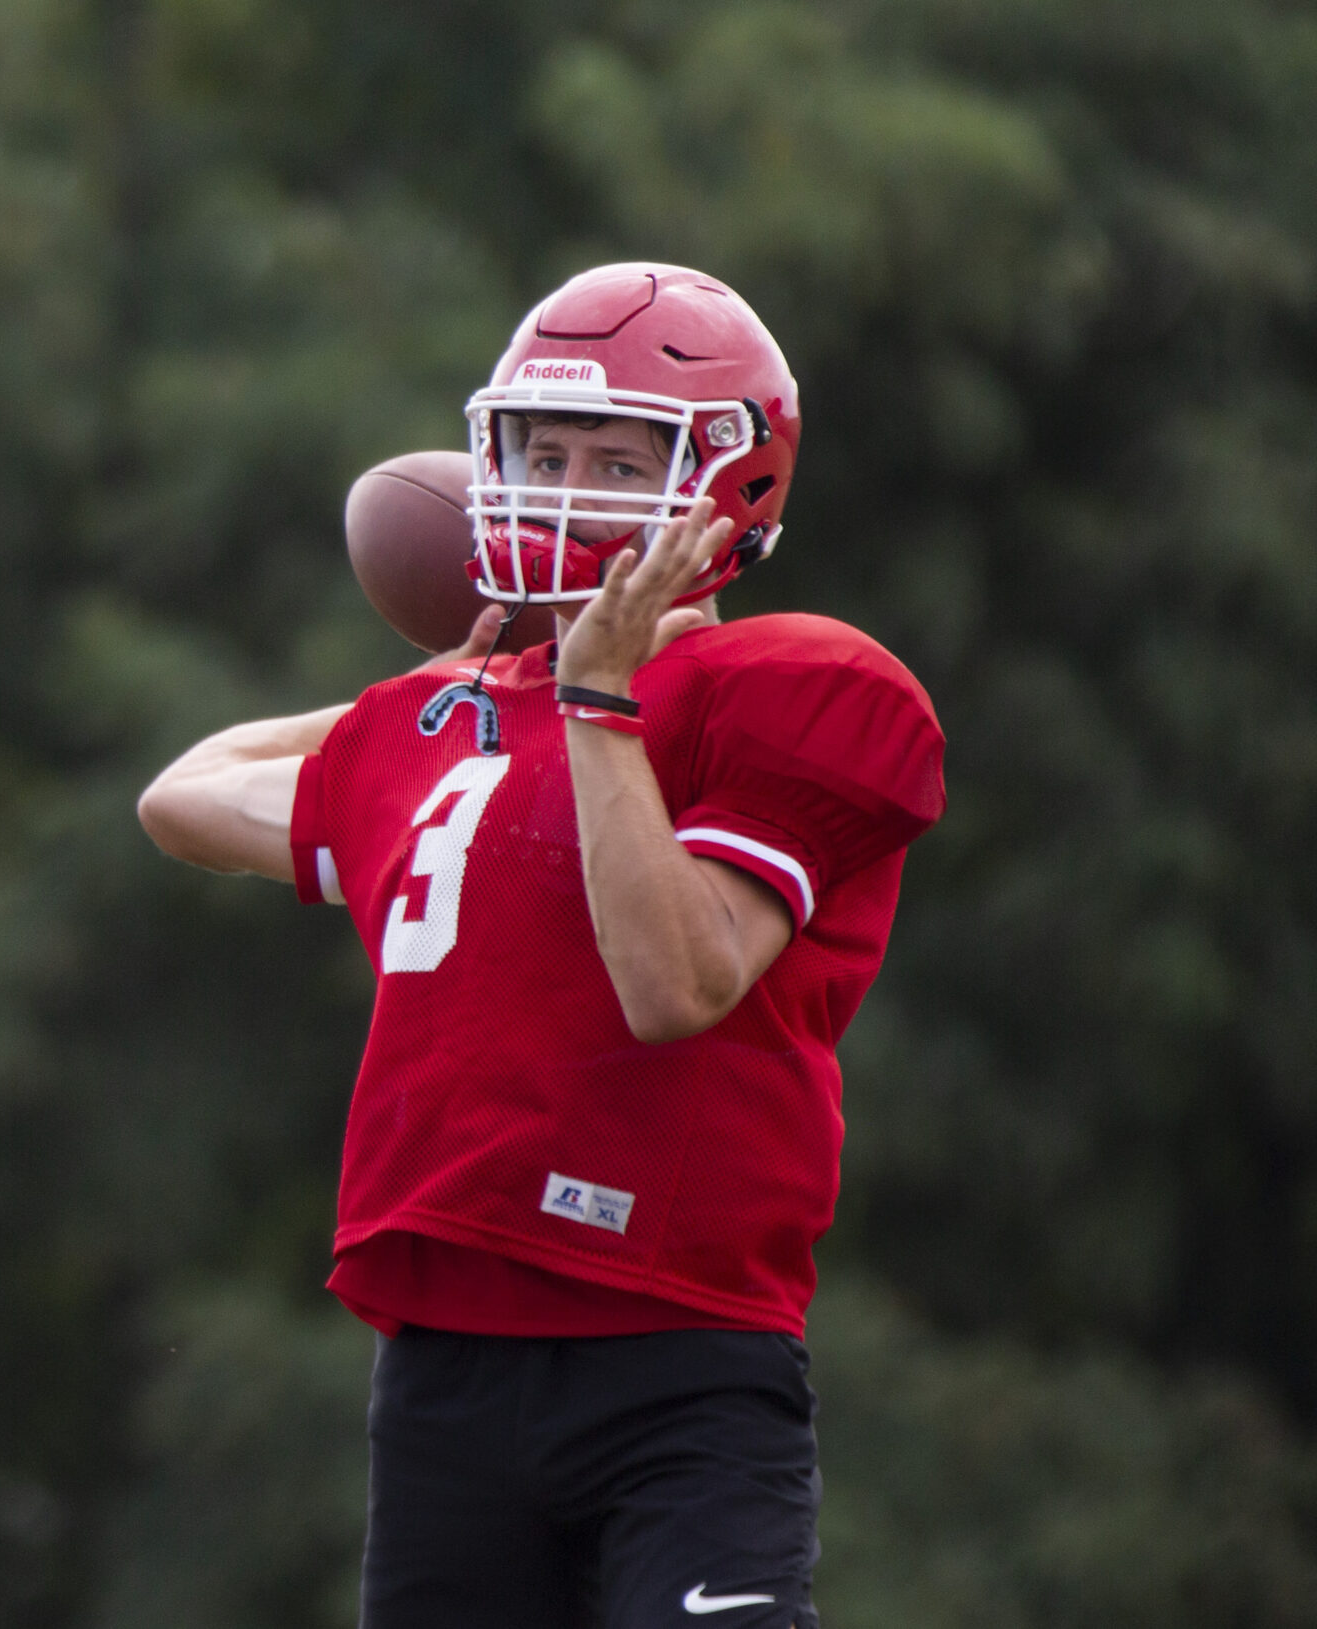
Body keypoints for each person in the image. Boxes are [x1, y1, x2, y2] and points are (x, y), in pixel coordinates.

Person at [138, 263, 946, 1629]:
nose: (567, 486)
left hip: (677, 1349)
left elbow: (674, 980)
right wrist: (464, 689)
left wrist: (589, 698)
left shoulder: (798, 686)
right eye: (544, 451)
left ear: (728, 488)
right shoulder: (449, 725)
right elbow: (184, 791)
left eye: (620, 458)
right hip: (449, 1365)